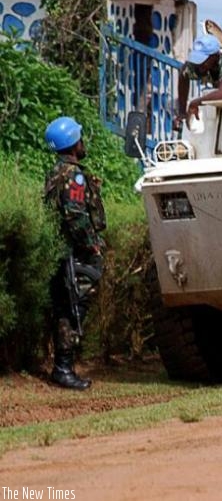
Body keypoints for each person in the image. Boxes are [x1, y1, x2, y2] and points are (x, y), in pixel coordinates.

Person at [43, 117, 107, 390]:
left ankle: (63, 366)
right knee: (73, 308)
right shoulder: (74, 176)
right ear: (73, 142)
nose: (83, 142)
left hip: (61, 251)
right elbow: (75, 216)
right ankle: (63, 368)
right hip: (75, 254)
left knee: (66, 307)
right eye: (79, 138)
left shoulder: (56, 173)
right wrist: (92, 245)